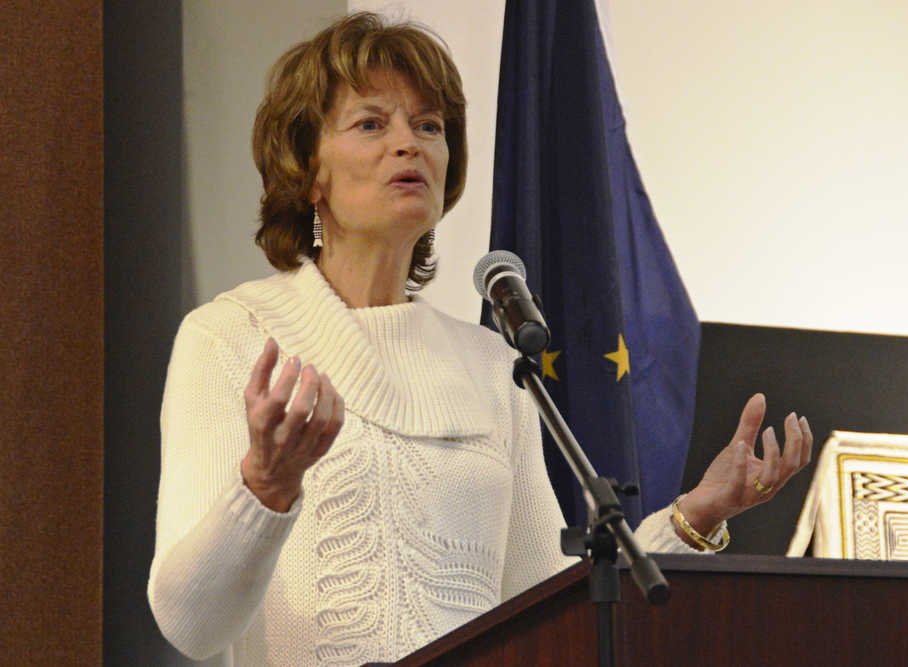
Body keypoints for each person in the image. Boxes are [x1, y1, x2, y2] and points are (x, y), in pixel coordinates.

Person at [148, 12, 813, 666]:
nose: (408, 143)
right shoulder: (233, 338)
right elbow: (191, 624)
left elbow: (554, 613)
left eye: (428, 125)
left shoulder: (494, 366)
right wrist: (263, 485)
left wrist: (693, 515)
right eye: (372, 123)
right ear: (310, 169)